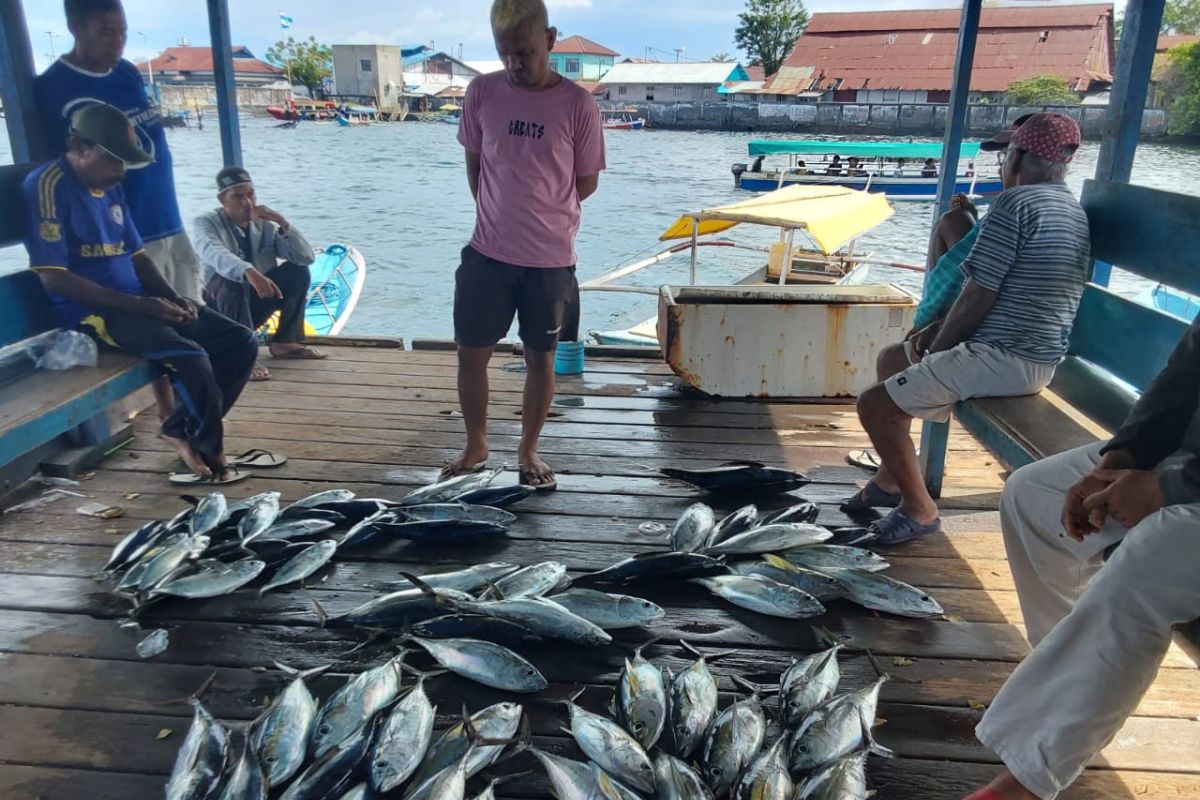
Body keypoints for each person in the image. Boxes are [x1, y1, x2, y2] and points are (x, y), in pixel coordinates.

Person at [962, 314, 1200, 800]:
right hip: (1186, 461)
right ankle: (1074, 692)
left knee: (1150, 559)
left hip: (1189, 480)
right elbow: (1182, 378)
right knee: (1034, 495)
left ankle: (1025, 781)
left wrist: (1167, 487)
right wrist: (1120, 461)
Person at [845, 113, 1090, 544]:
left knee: (874, 406)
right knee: (892, 358)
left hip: (1007, 356)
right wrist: (930, 341)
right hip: (1033, 353)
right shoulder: (1068, 205)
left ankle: (919, 510)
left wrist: (937, 347)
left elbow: (979, 294)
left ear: (1017, 157)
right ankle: (890, 479)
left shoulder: (1014, 204)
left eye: (1006, 154)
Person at [21, 104, 258, 485]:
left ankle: (181, 428)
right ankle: (211, 449)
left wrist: (173, 299)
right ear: (81, 147)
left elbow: (139, 256)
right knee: (191, 357)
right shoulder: (48, 186)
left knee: (240, 340)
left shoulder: (112, 189)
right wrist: (144, 306)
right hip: (93, 313)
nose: (121, 171)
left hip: (138, 302)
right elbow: (54, 278)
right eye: (114, 160)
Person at [446, 0, 605, 490]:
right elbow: (475, 162)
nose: (515, 62)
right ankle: (476, 444)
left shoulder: (578, 105)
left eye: (526, 52)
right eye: (505, 52)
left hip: (550, 260)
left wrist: (540, 213)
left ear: (550, 40)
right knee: (471, 354)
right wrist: (495, 213)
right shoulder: (481, 92)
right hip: (486, 253)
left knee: (541, 356)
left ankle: (528, 449)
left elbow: (586, 182)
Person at [36, 0, 202, 425]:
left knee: (190, 312)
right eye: (107, 33)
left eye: (123, 32)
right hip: (123, 228)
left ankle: (191, 412)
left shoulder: (128, 73)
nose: (118, 43)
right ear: (75, 27)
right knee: (160, 326)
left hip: (168, 215)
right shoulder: (54, 87)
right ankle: (173, 417)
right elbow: (68, 169)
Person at [194, 167, 323, 381]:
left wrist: (282, 222)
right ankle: (241, 353)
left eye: (250, 194)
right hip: (218, 311)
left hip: (251, 306)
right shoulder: (205, 223)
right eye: (238, 196)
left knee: (298, 271)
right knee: (231, 278)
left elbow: (305, 257)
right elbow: (214, 253)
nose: (247, 202)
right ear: (222, 200)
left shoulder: (264, 225)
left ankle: (285, 342)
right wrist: (248, 271)